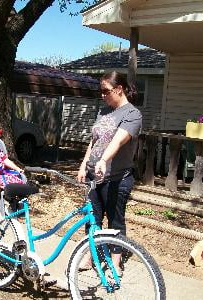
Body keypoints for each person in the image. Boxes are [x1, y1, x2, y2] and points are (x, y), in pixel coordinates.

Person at [77, 71, 142, 275]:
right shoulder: (103, 112)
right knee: (93, 218)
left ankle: (115, 262)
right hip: (93, 177)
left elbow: (118, 140)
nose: (102, 95)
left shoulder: (132, 114)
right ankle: (90, 256)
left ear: (119, 89)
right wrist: (84, 164)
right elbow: (94, 141)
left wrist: (104, 160)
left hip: (117, 177)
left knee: (115, 220)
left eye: (105, 91)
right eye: (101, 91)